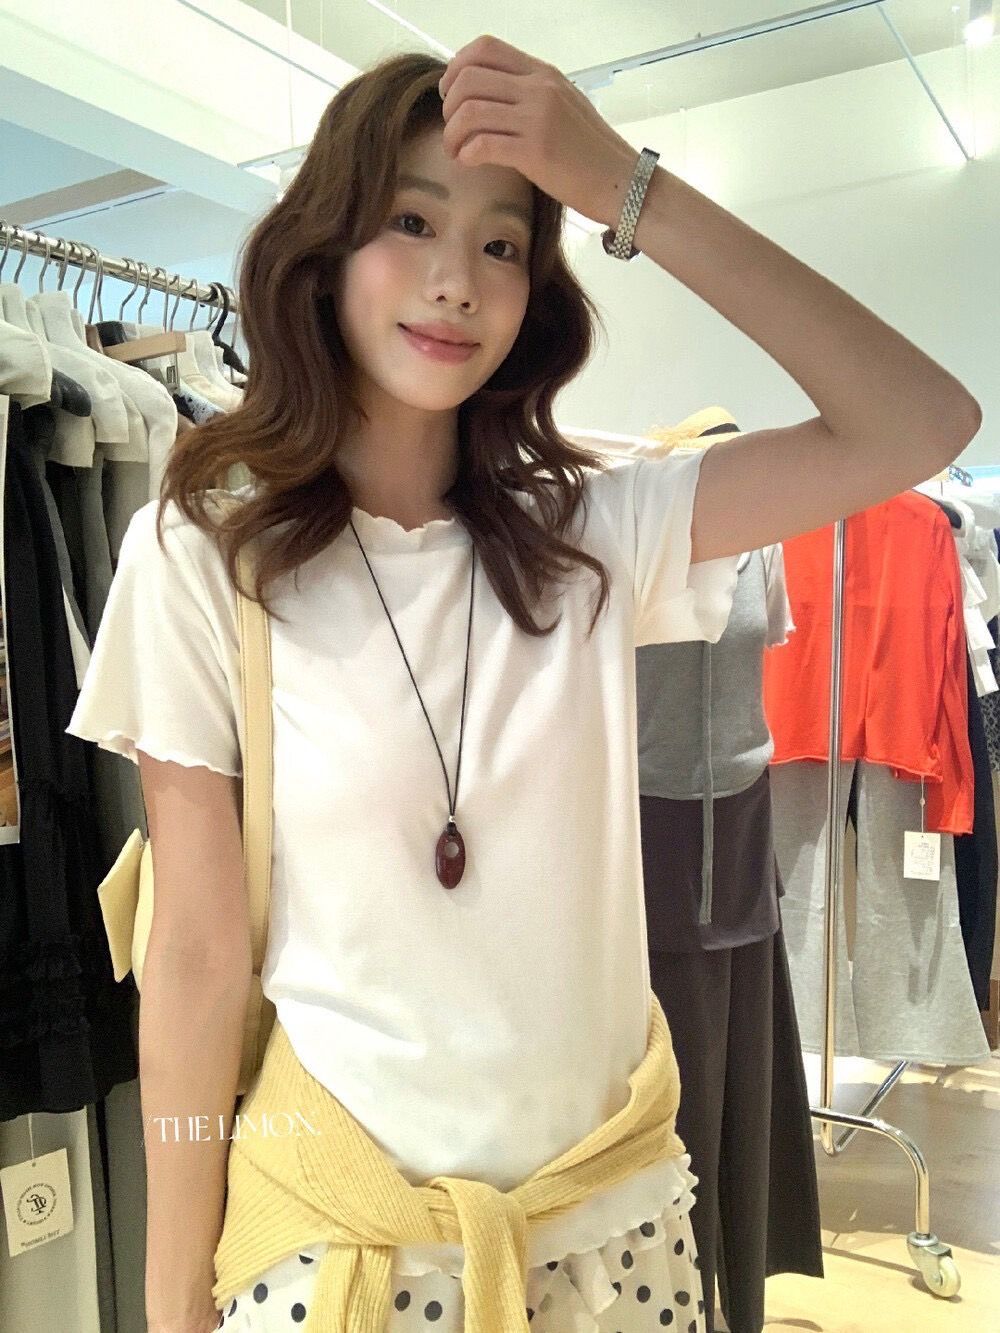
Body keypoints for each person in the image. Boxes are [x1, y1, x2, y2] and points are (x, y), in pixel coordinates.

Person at [66, 32, 981, 1333]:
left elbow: (920, 421)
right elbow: (197, 954)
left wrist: (620, 185)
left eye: (501, 243)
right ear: (323, 250)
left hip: (614, 1244)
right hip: (344, 1255)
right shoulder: (208, 549)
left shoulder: (595, 533)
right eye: (410, 222)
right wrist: (170, 1302)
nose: (457, 281)